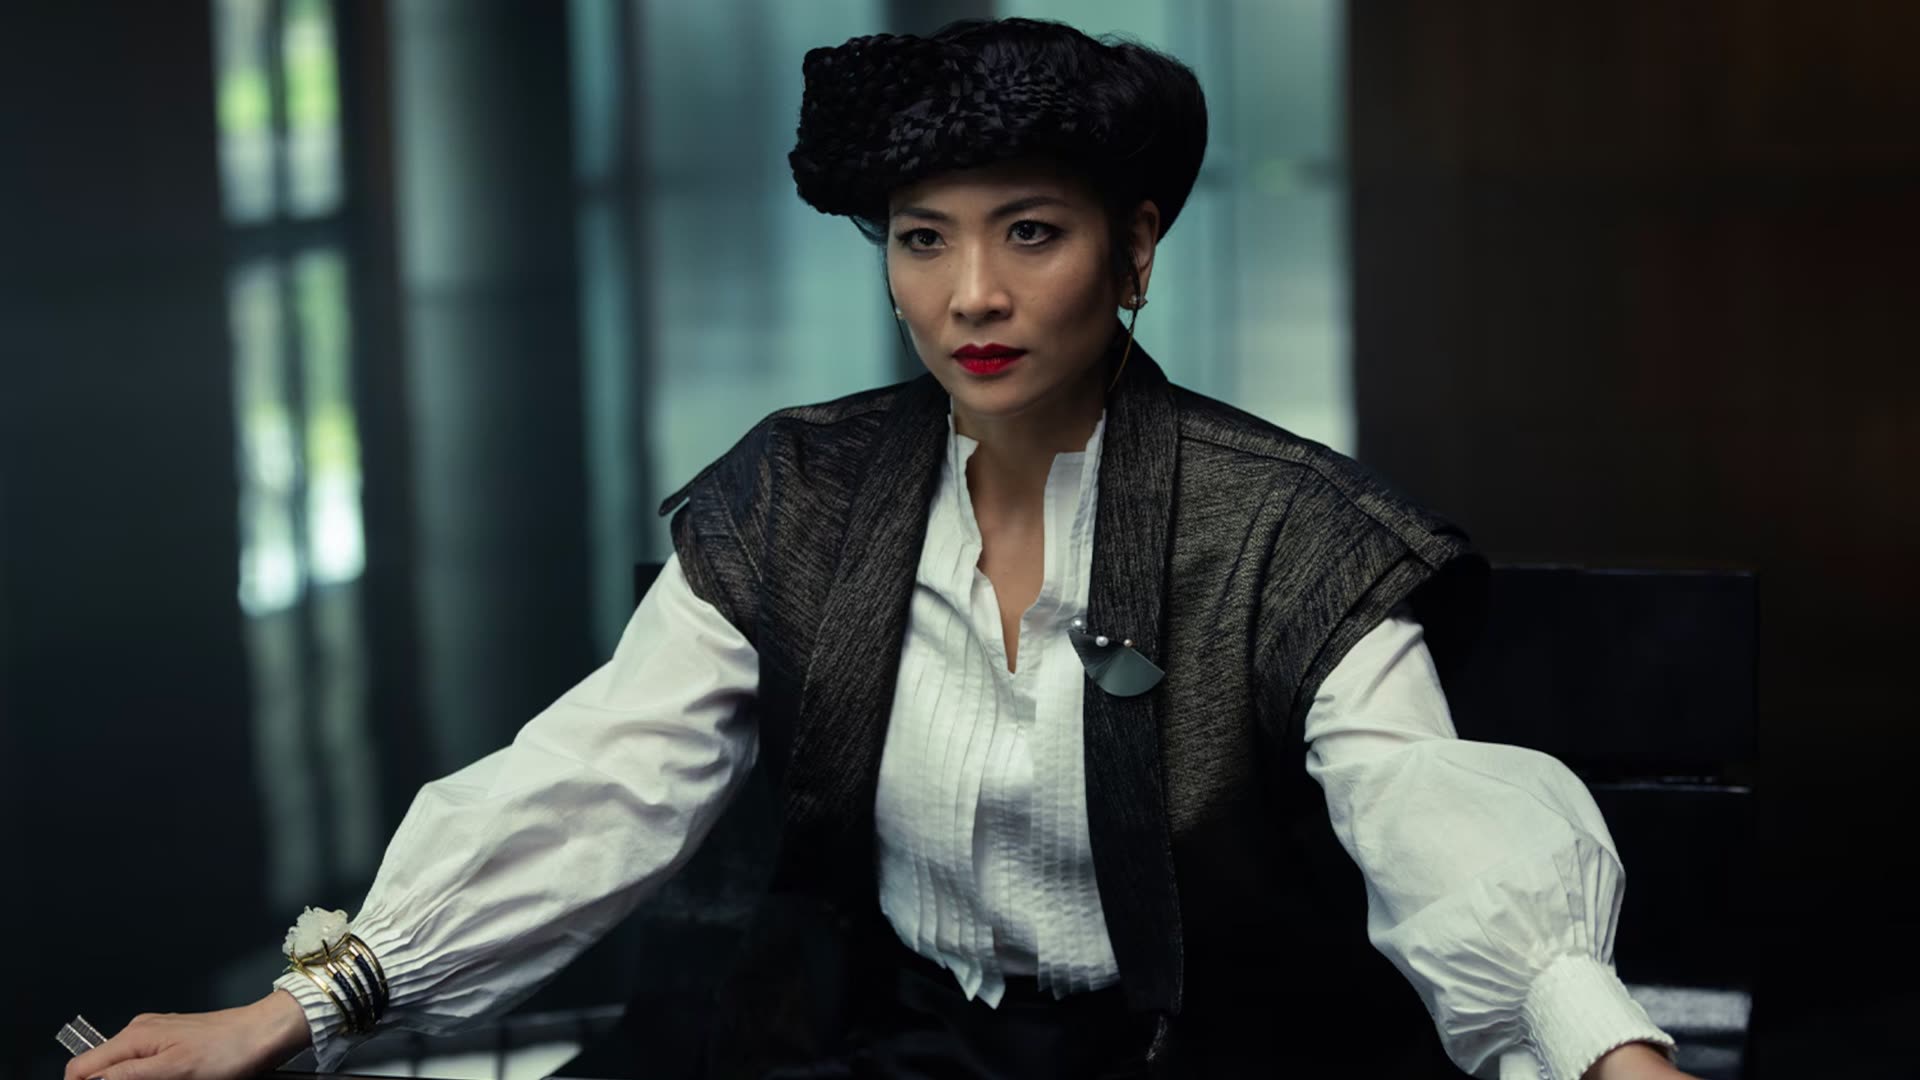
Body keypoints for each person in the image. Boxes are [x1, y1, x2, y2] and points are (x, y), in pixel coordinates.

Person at [66, 18, 1696, 1080]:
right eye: (925, 240)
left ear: (1134, 250)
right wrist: (301, 1009)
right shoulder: (802, 494)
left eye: (1032, 233)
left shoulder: (1286, 530)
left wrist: (1603, 1044)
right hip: (885, 1049)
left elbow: (1421, 800)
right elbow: (606, 774)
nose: (972, 294)